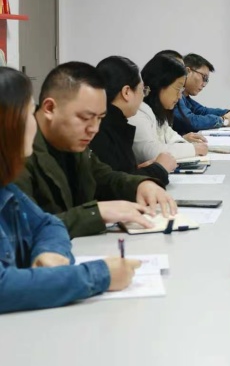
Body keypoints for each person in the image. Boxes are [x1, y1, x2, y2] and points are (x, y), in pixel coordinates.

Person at [0, 67, 141, 312]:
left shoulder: (6, 187)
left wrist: (50, 252)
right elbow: (4, 288)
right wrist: (100, 275)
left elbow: (47, 224)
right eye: (28, 113)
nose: (33, 122)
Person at [15, 62, 175, 239]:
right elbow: (24, 229)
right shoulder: (16, 151)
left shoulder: (72, 141)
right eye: (85, 118)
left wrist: (141, 185)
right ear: (50, 108)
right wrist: (95, 213)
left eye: (99, 118)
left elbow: (104, 177)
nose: (94, 129)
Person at [91, 56, 176, 186]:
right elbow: (112, 185)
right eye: (142, 90)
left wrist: (140, 169)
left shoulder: (114, 122)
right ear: (126, 92)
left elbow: (120, 173)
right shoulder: (103, 128)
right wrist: (159, 168)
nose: (143, 97)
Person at [130, 54, 208, 163]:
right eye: (177, 89)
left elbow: (172, 137)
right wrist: (193, 149)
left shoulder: (159, 112)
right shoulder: (139, 112)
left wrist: (185, 145)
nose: (179, 96)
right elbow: (150, 152)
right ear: (160, 83)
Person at [173, 53, 230, 136]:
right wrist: (224, 120)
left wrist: (228, 112)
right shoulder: (173, 96)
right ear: (188, 71)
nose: (204, 84)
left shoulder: (185, 98)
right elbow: (191, 121)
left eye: (206, 80)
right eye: (204, 77)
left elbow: (203, 111)